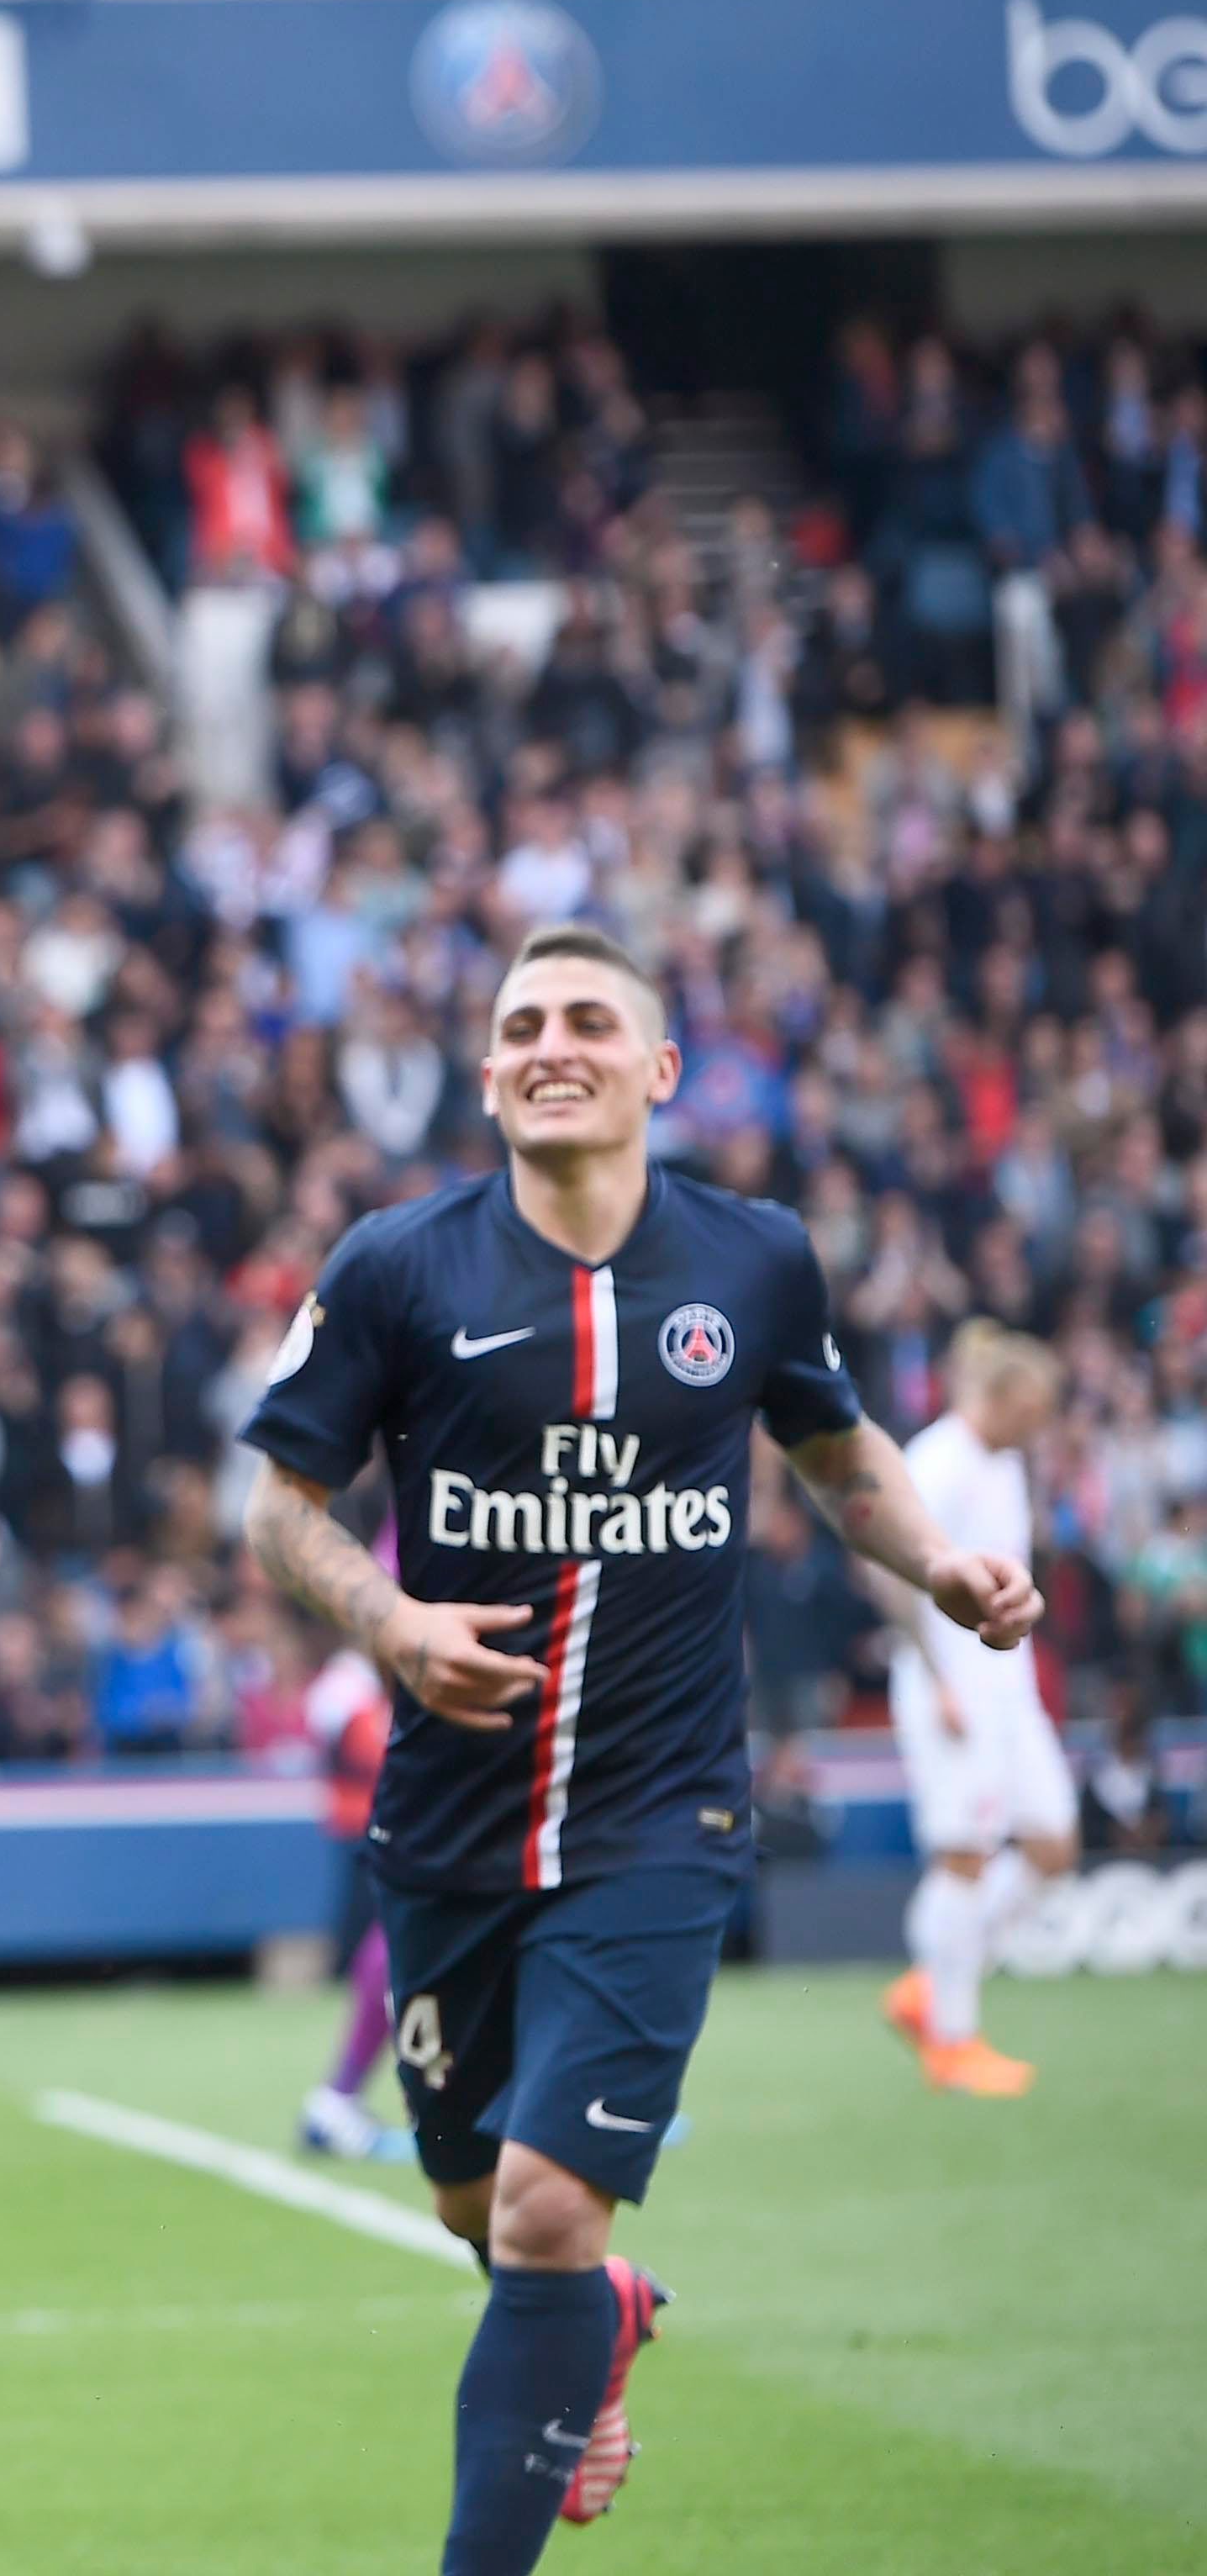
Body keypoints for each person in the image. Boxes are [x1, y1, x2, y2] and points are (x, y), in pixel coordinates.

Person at [240, 919, 1041, 2575]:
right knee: (483, 2215)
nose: (552, 1042)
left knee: (539, 2201)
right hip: (451, 1821)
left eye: (589, 1020)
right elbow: (277, 1511)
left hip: (658, 1820)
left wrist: (939, 1565)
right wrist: (389, 1624)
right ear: (484, 1072)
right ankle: (593, 2313)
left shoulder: (752, 1263)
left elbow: (834, 1444)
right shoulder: (396, 1265)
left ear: (656, 1068)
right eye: (521, 1021)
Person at [877, 1321, 1078, 2097]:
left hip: (1009, 1688)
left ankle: (932, 1983)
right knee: (965, 1854)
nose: (1039, 1422)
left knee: (1053, 1847)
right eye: (1031, 1408)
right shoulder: (937, 1459)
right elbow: (890, 1575)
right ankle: (952, 2037)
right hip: (951, 1686)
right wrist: (935, 1678)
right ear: (997, 1396)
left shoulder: (1003, 1465)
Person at [296, 1637, 414, 2163]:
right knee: (400, 1932)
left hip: (398, 1818)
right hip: (379, 1823)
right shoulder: (347, 1686)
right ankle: (339, 2098)